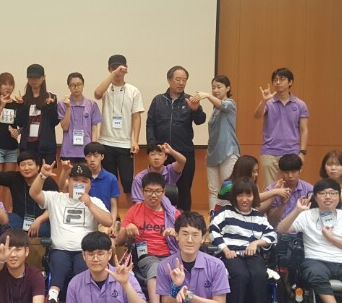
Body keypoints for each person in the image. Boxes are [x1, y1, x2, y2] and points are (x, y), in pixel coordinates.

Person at [31, 163, 113, 303]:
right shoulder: (56, 198)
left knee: (82, 266)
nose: (79, 184)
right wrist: (42, 176)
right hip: (59, 249)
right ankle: (53, 298)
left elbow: (108, 221)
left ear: (90, 185)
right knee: (59, 261)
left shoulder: (95, 201)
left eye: (84, 181)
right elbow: (34, 193)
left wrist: (89, 204)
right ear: (68, 181)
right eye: (75, 180)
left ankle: (82, 302)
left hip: (85, 251)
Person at [209, 178, 277, 303]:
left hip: (251, 253)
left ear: (254, 197)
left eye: (249, 195)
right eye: (240, 195)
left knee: (259, 275)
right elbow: (213, 230)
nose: (244, 199)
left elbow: (272, 235)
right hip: (230, 253)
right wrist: (225, 249)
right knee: (240, 274)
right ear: (234, 197)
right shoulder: (225, 212)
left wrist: (256, 243)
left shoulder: (259, 217)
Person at [118, 172, 180, 303]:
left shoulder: (173, 213)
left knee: (178, 270)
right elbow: (118, 241)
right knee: (156, 268)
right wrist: (127, 229)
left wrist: (176, 234)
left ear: (164, 192)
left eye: (158, 191)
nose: (153, 195)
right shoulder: (134, 211)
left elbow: (186, 238)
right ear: (142, 191)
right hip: (146, 256)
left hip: (170, 254)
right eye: (149, 191)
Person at [145, 65, 207, 211]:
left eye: (184, 80)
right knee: (159, 189)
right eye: (178, 79)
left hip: (184, 153)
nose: (181, 83)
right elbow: (150, 124)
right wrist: (153, 147)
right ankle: (160, 218)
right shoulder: (158, 100)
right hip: (162, 153)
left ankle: (184, 219)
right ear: (169, 80)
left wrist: (196, 109)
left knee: (184, 189)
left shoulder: (189, 100)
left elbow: (200, 120)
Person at [94, 55, 144, 203]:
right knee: (109, 182)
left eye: (120, 68)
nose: (118, 71)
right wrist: (113, 74)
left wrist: (135, 140)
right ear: (109, 69)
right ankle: (112, 214)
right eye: (114, 67)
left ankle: (132, 214)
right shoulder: (106, 88)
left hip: (125, 144)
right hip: (106, 142)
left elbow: (136, 117)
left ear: (126, 69)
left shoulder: (133, 90)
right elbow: (97, 94)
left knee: (128, 183)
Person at [254, 67, 309, 188]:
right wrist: (263, 101)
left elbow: (304, 130)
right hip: (269, 151)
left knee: (291, 186)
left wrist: (302, 152)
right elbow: (257, 116)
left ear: (290, 82)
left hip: (292, 151)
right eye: (275, 80)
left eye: (282, 79)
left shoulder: (300, 104)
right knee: (270, 188)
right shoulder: (269, 102)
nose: (278, 82)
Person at [0, 152, 57, 239]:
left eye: (30, 164)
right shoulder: (15, 177)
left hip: (41, 221)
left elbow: (54, 206)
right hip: (19, 219)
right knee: (6, 222)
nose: (26, 168)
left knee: (45, 229)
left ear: (38, 167)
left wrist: (39, 220)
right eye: (22, 165)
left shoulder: (48, 181)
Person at [203, 76, 240, 210]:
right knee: (213, 190)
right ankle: (213, 218)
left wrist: (207, 95)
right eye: (213, 88)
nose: (215, 90)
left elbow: (222, 105)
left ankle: (230, 217)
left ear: (228, 88)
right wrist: (208, 152)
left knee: (229, 188)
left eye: (219, 87)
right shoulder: (215, 109)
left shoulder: (230, 103)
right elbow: (213, 135)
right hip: (213, 154)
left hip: (228, 152)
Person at [15, 64, 60, 165]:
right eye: (31, 77)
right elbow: (19, 123)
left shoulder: (50, 97)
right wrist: (20, 105)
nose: (34, 80)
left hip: (45, 145)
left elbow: (55, 121)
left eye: (37, 77)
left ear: (43, 78)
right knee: (29, 172)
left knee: (46, 173)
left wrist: (50, 106)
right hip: (28, 145)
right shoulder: (24, 99)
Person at [58, 72, 102, 161]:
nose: (76, 88)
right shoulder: (62, 104)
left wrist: (93, 149)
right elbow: (65, 127)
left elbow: (94, 128)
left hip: (87, 151)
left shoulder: (91, 104)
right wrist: (68, 107)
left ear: (83, 85)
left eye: (79, 84)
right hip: (68, 151)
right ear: (69, 87)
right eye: (73, 85)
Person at [265, 153, 314, 228]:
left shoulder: (310, 189)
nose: (290, 176)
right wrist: (282, 204)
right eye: (286, 172)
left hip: (302, 231)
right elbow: (271, 222)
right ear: (281, 172)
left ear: (300, 170)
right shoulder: (271, 190)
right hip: (279, 232)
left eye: (293, 172)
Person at [77, 142, 121, 222]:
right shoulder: (80, 178)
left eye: (96, 156)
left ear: (102, 156)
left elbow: (114, 205)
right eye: (88, 156)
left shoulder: (111, 178)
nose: (92, 159)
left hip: (104, 219)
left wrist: (112, 224)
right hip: (84, 218)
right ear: (85, 157)